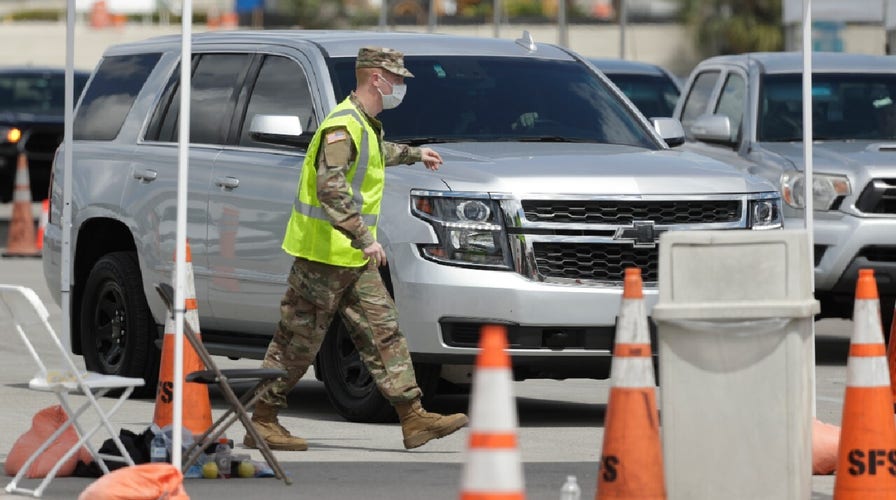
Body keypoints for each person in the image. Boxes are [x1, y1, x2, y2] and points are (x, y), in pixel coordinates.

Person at [244, 47, 468, 452]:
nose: (400, 86)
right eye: (396, 79)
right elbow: (332, 187)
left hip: (351, 259)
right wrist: (364, 237)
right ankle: (262, 419)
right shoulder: (342, 126)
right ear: (376, 79)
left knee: (384, 334)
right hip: (323, 257)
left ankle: (413, 417)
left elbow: (373, 155)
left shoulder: (365, 125)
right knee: (297, 342)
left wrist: (416, 154)